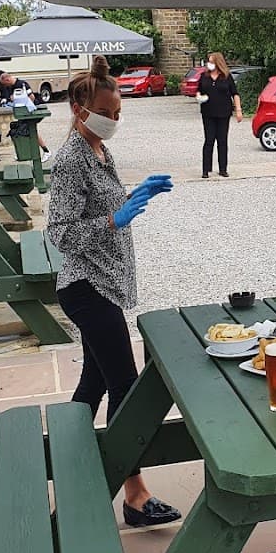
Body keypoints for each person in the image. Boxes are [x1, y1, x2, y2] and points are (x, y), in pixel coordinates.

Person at [46, 61, 182, 528]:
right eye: (106, 111)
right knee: (126, 385)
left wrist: (132, 198)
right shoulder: (69, 161)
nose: (114, 119)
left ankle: (68, 466)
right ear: (78, 109)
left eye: (118, 111)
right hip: (87, 287)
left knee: (96, 383)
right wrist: (113, 220)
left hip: (105, 282)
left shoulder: (99, 149)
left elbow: (108, 203)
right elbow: (60, 235)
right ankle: (134, 494)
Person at [197, 51, 242, 178]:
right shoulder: (204, 76)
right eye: (208, 62)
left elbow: (235, 93)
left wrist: (238, 110)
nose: (209, 64)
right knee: (209, 140)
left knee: (222, 141)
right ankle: (206, 170)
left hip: (224, 112)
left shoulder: (226, 77)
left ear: (218, 63)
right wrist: (199, 97)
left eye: (211, 62)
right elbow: (198, 91)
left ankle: (223, 168)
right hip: (208, 113)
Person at [0, 70, 52, 162]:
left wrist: (24, 105)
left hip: (31, 111)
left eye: (5, 84)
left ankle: (45, 151)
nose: (5, 86)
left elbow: (32, 97)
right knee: (27, 130)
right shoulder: (12, 87)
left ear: (7, 79)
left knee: (31, 130)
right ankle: (25, 152)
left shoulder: (22, 84)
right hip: (23, 112)